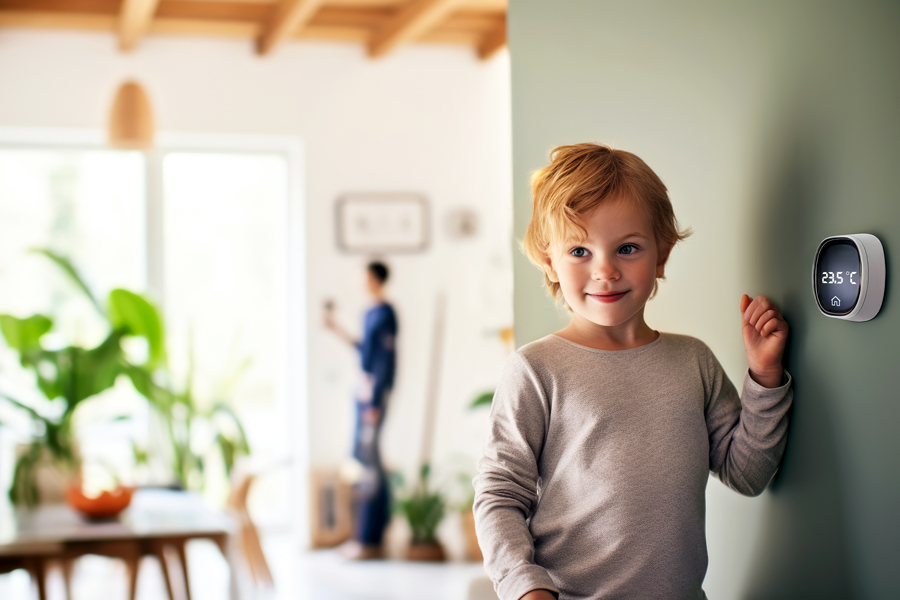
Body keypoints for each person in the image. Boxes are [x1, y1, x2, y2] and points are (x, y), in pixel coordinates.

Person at [473, 144, 793, 600]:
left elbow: (747, 473)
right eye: (580, 250)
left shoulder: (694, 362)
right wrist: (525, 587)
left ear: (660, 256)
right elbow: (499, 495)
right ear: (550, 263)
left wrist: (764, 377)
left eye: (627, 248)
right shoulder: (536, 370)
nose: (605, 270)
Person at [324, 261, 397, 560]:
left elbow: (385, 360)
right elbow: (365, 351)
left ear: (375, 278)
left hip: (373, 397)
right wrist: (336, 329)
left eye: (365, 275)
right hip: (363, 392)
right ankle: (366, 536)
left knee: (369, 464)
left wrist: (376, 401)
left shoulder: (386, 313)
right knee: (364, 459)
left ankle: (370, 538)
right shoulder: (369, 313)